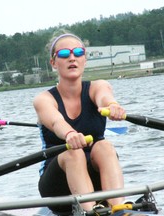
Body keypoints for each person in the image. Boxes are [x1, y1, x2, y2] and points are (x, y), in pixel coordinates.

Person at [33, 32, 126, 214]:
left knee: (105, 146)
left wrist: (113, 106)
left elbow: (104, 98)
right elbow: (56, 120)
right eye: (64, 54)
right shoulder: (43, 99)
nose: (72, 58)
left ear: (85, 59)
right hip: (58, 188)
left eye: (77, 52)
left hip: (96, 176)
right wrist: (70, 134)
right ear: (53, 63)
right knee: (74, 153)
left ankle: (118, 209)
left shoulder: (98, 86)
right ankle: (90, 212)